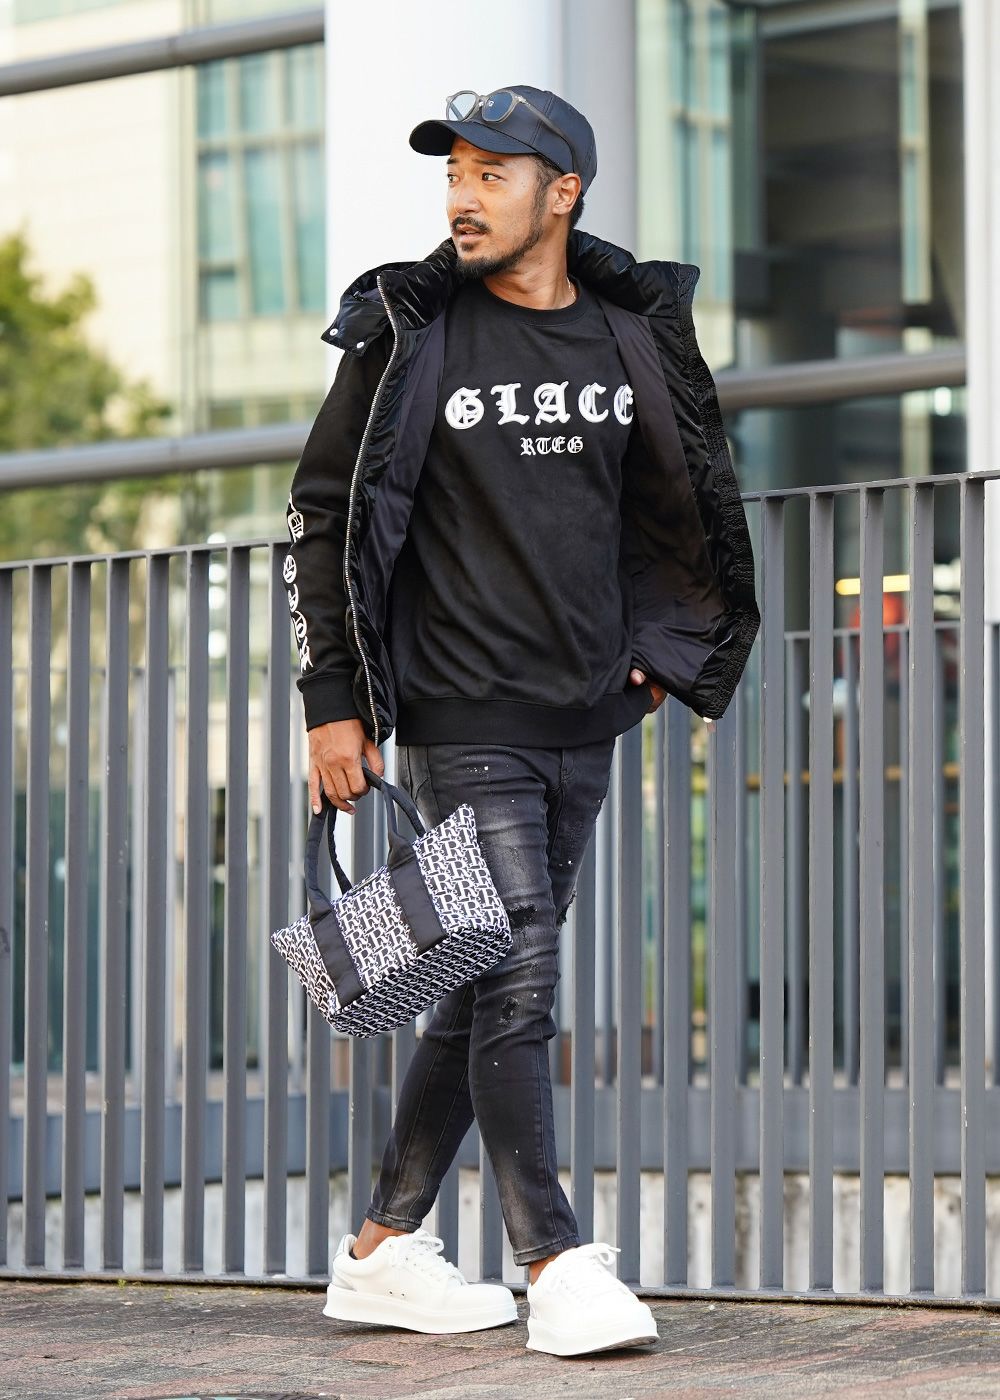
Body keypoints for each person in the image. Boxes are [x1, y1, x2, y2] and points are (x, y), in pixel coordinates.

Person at [283, 84, 759, 1358]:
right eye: (455, 173)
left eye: (492, 173)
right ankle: (552, 1259)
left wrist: (657, 652)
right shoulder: (410, 331)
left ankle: (380, 1251)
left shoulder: (631, 334)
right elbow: (322, 516)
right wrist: (334, 701)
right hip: (460, 707)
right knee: (521, 971)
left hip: (583, 712)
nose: (462, 195)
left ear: (564, 192)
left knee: (479, 981)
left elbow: (681, 504)